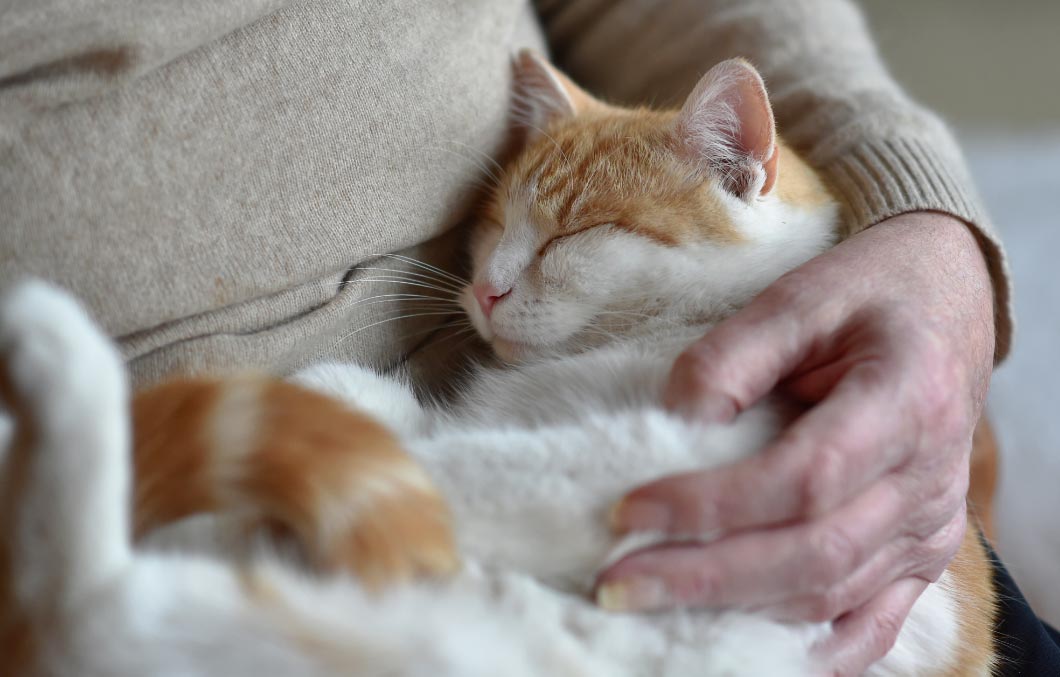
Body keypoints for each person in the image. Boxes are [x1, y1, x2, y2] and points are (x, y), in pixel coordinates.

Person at [2, 0, 1050, 675]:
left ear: (740, 180)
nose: (488, 292)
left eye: (556, 251)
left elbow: (607, 493)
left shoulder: (734, 315)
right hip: (259, 517)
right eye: (497, 244)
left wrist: (926, 227)